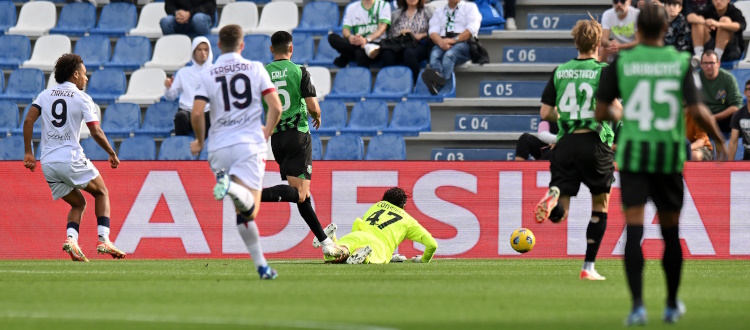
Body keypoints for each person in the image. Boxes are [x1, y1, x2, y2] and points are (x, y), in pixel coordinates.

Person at [595, 3, 727, 325]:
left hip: (634, 157)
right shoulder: (679, 61)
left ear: (637, 31)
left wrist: (621, 113)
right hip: (668, 158)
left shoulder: (621, 62)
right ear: (666, 30)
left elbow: (600, 112)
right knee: (671, 233)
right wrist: (720, 140)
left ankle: (638, 306)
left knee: (634, 231)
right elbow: (697, 110)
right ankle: (670, 304)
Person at [188, 25, 285, 280]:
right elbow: (276, 107)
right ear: (242, 46)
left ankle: (262, 266)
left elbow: (197, 112)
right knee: (251, 210)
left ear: (218, 46)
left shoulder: (207, 73)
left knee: (242, 214)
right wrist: (265, 132)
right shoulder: (255, 68)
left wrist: (199, 141)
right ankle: (229, 186)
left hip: (219, 147)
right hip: (248, 145)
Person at [534, 18, 617, 281]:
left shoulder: (560, 71)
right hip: (594, 144)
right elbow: (615, 111)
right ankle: (588, 267)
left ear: (575, 42)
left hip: (566, 143)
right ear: (597, 43)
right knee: (600, 207)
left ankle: (554, 196)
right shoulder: (603, 71)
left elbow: (546, 112)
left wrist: (571, 114)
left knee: (560, 215)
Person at [22, 54, 126, 262]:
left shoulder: (45, 95)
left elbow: (28, 120)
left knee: (78, 203)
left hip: (48, 163)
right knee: (102, 193)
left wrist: (28, 152)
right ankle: (104, 239)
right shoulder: (82, 98)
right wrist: (111, 153)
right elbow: (96, 132)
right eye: (85, 75)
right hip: (70, 158)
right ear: (76, 74)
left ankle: (71, 240)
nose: (86, 79)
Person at [260, 31, 344, 258]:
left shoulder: (262, 74)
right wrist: (317, 114)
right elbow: (312, 106)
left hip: (276, 140)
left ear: (271, 50)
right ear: (291, 49)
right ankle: (255, 195)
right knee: (299, 193)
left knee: (303, 195)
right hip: (298, 135)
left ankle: (325, 241)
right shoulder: (300, 71)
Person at [321, 187, 438, 264]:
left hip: (358, 234)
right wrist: (423, 260)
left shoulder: (377, 205)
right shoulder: (408, 220)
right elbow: (432, 245)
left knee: (337, 254)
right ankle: (362, 254)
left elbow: (358, 222)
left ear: (384, 199)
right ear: (403, 206)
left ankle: (333, 240)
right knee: (367, 255)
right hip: (378, 245)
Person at [422, 0, 481, 95]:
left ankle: (438, 83)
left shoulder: (470, 7)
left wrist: (454, 40)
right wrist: (441, 42)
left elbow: (472, 29)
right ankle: (438, 78)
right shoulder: (439, 11)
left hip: (463, 41)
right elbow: (432, 32)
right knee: (434, 55)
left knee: (449, 55)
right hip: (443, 40)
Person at [164, 36, 213, 136]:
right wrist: (168, 87)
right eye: (199, 50)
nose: (203, 53)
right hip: (187, 111)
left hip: (207, 111)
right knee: (180, 116)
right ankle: (182, 148)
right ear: (194, 52)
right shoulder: (183, 72)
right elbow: (170, 97)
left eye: (206, 49)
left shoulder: (215, 71)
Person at [380, 0, 435, 83]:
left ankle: (416, 82)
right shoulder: (396, 13)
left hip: (420, 44)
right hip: (401, 44)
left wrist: (423, 35)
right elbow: (391, 35)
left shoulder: (427, 10)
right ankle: (393, 83)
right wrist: (401, 33)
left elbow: (436, 29)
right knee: (387, 54)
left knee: (409, 53)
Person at [328, 0, 391, 68]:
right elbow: (345, 29)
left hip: (376, 45)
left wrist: (366, 39)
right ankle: (346, 56)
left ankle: (345, 57)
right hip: (358, 44)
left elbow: (381, 29)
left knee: (360, 53)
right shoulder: (351, 7)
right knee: (332, 38)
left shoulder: (384, 5)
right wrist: (350, 37)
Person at [698, 50, 742, 135]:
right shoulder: (695, 79)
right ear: (701, 65)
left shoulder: (727, 78)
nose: (709, 66)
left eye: (712, 63)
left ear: (718, 64)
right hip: (703, 117)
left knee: (741, 118)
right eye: (705, 63)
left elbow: (736, 105)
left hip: (723, 117)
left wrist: (714, 117)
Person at [728, 79, 750, 160]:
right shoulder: (738, 115)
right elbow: (733, 142)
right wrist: (729, 166)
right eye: (748, 89)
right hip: (747, 160)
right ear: (744, 93)